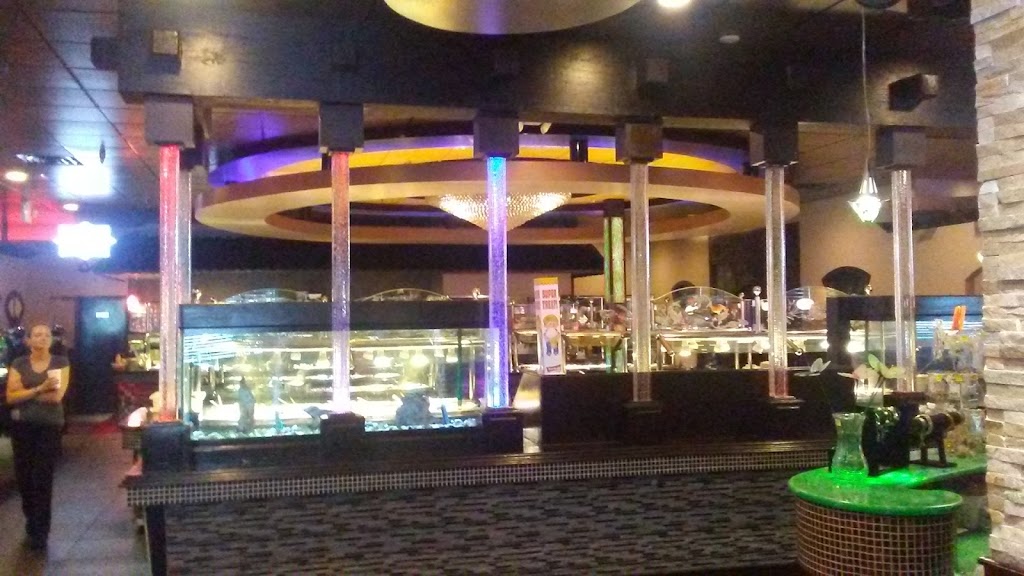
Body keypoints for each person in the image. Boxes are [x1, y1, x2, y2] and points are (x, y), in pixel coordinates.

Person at [5, 324, 70, 551]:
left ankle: (40, 531)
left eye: (46, 335)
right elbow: (10, 397)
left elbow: (56, 397)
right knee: (24, 477)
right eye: (37, 335)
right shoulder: (19, 363)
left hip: (49, 427)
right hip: (22, 427)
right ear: (28, 340)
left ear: (51, 340)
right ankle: (31, 520)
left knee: (42, 477)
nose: (42, 338)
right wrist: (40, 388)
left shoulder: (60, 363)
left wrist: (25, 393)